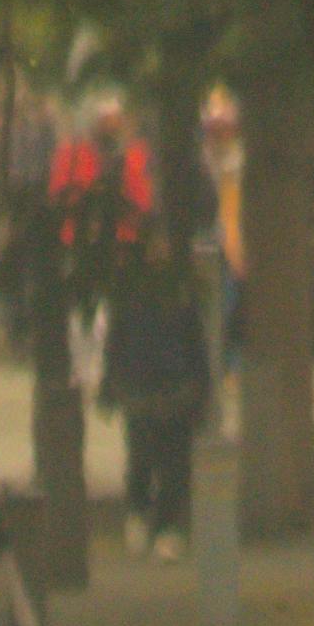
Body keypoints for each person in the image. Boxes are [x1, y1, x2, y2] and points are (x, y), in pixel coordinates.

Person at [102, 222, 209, 556]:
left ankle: (168, 527)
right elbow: (117, 340)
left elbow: (195, 344)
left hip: (176, 386)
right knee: (142, 457)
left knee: (174, 463)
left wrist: (200, 387)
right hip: (140, 385)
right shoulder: (131, 288)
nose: (158, 251)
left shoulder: (182, 290)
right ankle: (138, 513)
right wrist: (113, 381)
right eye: (153, 244)